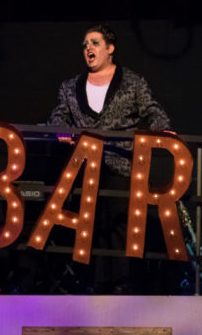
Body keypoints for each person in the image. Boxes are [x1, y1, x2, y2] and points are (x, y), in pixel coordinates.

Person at [46, 23, 173, 293]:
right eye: (85, 44)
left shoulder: (133, 82)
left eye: (94, 42)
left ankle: (120, 287)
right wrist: (61, 130)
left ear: (110, 49)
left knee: (119, 227)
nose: (88, 48)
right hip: (84, 167)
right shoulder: (70, 87)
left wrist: (162, 128)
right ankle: (91, 285)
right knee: (88, 228)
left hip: (121, 166)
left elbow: (152, 111)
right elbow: (58, 116)